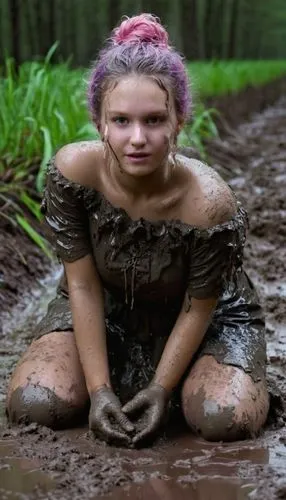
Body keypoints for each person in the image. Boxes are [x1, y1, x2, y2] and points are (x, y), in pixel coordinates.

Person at [6, 14, 269, 446]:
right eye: (122, 120)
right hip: (106, 304)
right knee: (35, 403)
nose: (137, 138)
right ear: (100, 123)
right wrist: (99, 391)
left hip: (208, 318)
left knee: (223, 419)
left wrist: (161, 390)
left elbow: (197, 308)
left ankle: (184, 384)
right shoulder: (72, 174)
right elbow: (83, 287)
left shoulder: (208, 203)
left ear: (178, 121)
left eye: (153, 120)